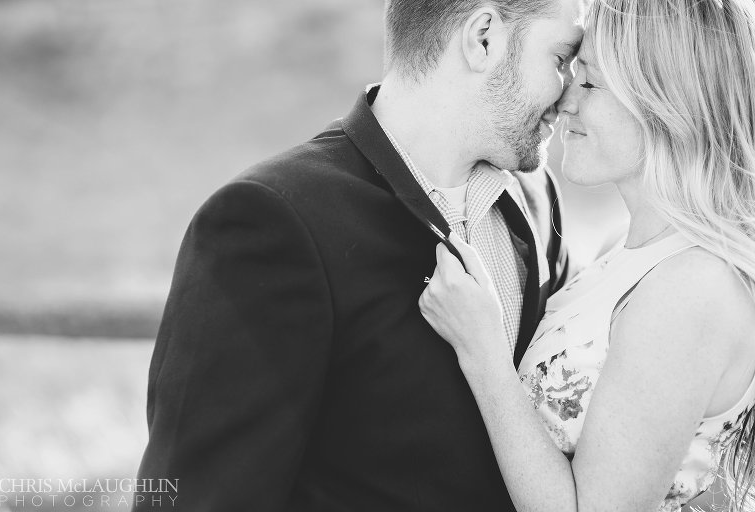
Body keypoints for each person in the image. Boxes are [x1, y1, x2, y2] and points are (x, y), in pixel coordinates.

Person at [134, 0, 587, 510]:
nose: (571, 95)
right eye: (561, 58)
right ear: (483, 37)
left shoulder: (536, 199)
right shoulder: (274, 221)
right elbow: (202, 496)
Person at [419, 0, 755, 511]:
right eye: (570, 72)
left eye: (591, 82)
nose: (564, 101)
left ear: (667, 102)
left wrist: (481, 350)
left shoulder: (692, 287)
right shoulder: (623, 247)